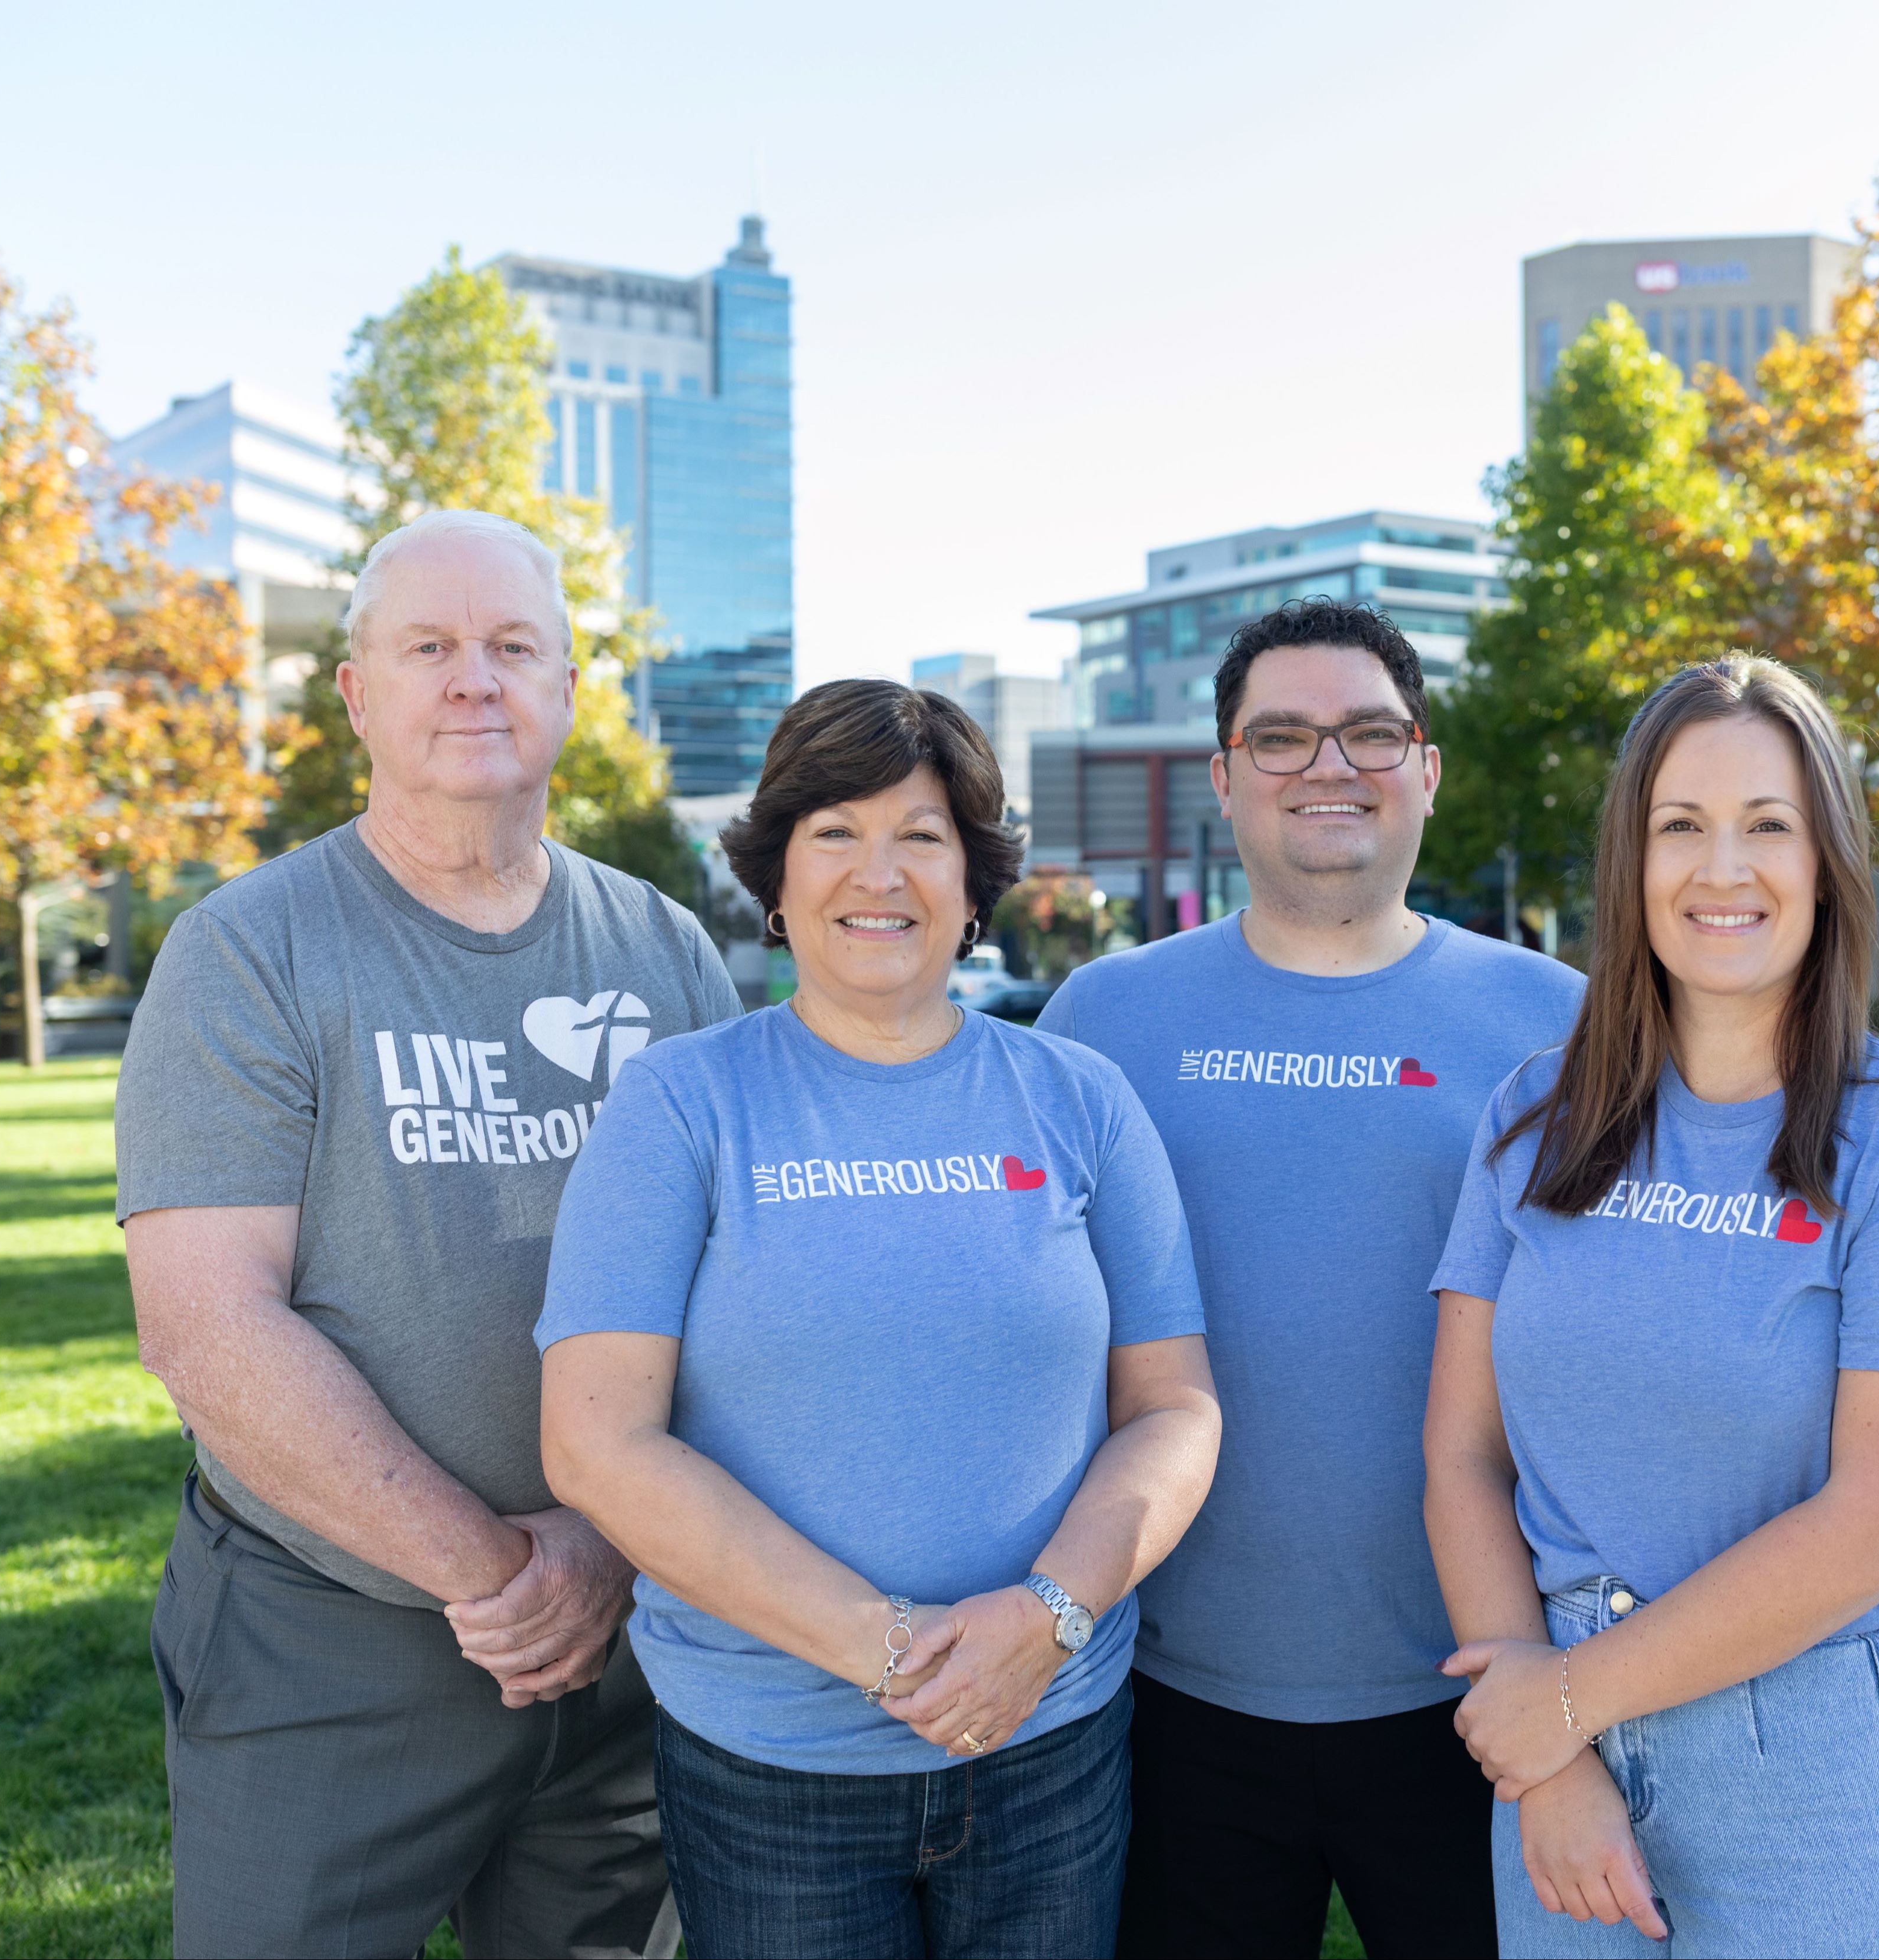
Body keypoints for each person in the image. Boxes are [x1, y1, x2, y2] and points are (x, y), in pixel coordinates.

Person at [116, 509, 739, 1958]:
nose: (476, 680)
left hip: (633, 1626)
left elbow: (738, 1292)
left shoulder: (662, 950)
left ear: (572, 687)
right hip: (332, 1634)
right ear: (356, 693)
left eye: (515, 645)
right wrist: (497, 1571)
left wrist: (604, 1542)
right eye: (430, 647)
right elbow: (206, 1326)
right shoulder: (250, 950)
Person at [536, 678, 1224, 1960]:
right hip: (769, 1765)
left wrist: (1042, 1621)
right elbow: (596, 1442)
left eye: (921, 833)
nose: (879, 871)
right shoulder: (680, 1106)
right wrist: (893, 1652)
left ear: (973, 881)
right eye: (834, 831)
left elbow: (1174, 1409)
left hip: (1052, 1741)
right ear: (777, 878)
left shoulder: (1081, 1100)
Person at [1423, 656, 1879, 1959]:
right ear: (1630, 862)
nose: (1721, 867)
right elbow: (1461, 1456)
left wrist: (1565, 1701)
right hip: (1553, 1740)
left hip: (1804, 1744)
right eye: (1678, 825)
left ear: (1826, 861)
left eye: (1767, 824)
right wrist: (1552, 1759)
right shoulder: (1534, 1114)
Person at [1037, 599, 1584, 1959]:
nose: (1327, 766)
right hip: (1167, 1681)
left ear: (1427, 768)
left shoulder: (1563, 1022)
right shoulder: (1101, 1019)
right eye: (1280, 737)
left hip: (1478, 1676)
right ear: (1221, 776)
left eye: (1368, 733)